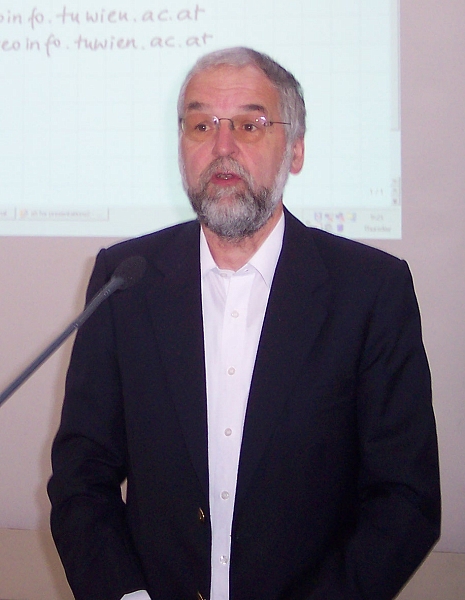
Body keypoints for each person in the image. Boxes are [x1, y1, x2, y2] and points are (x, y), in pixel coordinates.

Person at [48, 47, 441, 600]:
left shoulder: (370, 290)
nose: (222, 147)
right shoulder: (125, 280)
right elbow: (81, 475)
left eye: (250, 125)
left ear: (295, 149)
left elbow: (405, 498)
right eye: (201, 125)